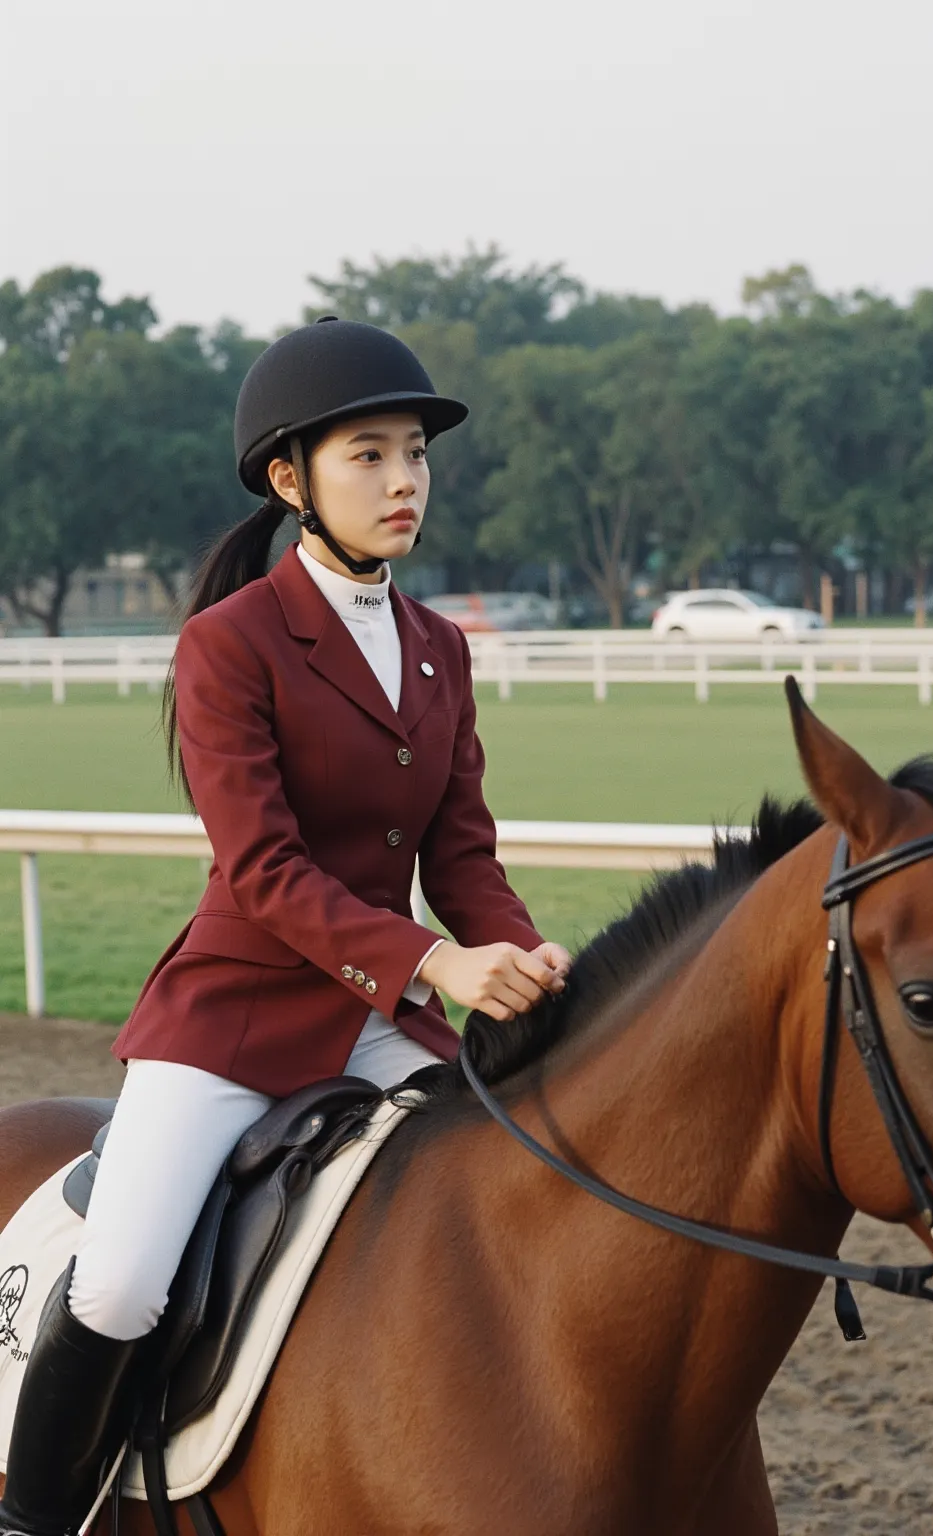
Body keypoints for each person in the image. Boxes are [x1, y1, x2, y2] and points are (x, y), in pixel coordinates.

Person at [0, 317, 571, 1536]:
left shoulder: (438, 649)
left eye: (415, 451)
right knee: (123, 1278)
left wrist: (514, 954)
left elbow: (462, 853)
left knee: (521, 1164)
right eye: (369, 454)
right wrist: (436, 960)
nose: (404, 478)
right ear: (288, 478)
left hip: (377, 1014)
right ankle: (32, 1517)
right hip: (234, 1020)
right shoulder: (227, 645)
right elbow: (260, 868)